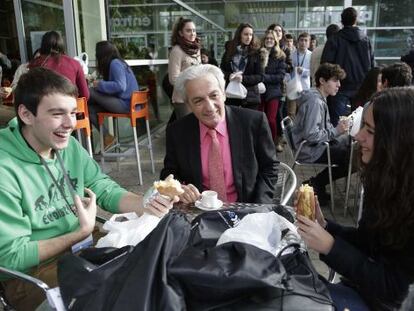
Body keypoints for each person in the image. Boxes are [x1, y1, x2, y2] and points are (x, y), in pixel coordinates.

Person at [0, 67, 175, 310]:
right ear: (26, 114)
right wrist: (79, 233)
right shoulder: (4, 168)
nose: (70, 123)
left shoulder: (67, 145)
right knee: (118, 294)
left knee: (155, 266)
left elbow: (101, 187)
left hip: (84, 251)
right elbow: (12, 257)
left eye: (73, 112)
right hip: (31, 276)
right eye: (57, 113)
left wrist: (144, 203)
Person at [297, 87, 414, 311]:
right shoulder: (385, 179)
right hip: (362, 292)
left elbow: (396, 289)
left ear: (399, 139)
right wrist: (324, 226)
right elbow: (368, 241)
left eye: (370, 130)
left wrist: (330, 246)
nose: (359, 136)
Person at [160, 64, 278, 204]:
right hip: (198, 212)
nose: (209, 107)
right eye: (198, 100)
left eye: (213, 95)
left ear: (223, 93)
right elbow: (169, 173)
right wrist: (179, 188)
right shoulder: (177, 131)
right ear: (188, 104)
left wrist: (258, 208)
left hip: (246, 209)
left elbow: (270, 168)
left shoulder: (253, 122)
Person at [292, 63, 349, 204]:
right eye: (335, 80)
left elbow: (320, 128)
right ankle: (314, 184)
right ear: (322, 81)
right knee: (350, 158)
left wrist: (337, 131)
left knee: (348, 148)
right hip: (309, 150)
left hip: (312, 146)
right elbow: (311, 135)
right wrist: (336, 131)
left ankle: (317, 185)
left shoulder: (318, 97)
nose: (339, 85)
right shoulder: (315, 102)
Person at [321, 7, 375, 126]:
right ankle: (355, 144)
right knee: (360, 123)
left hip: (339, 87)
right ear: (356, 20)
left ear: (341, 21)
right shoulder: (366, 40)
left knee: (338, 125)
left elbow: (325, 65)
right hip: (361, 87)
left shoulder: (334, 40)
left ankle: (339, 144)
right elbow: (372, 65)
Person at [88, 41, 139, 148]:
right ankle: (107, 137)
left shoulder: (115, 63)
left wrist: (100, 84)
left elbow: (120, 86)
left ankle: (77, 114)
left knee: (90, 91)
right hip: (130, 104)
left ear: (101, 54)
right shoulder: (120, 63)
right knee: (90, 109)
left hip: (126, 104)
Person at [28, 31, 89, 100]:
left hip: (43, 107)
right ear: (61, 44)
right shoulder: (74, 63)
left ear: (43, 45)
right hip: (69, 106)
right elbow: (85, 95)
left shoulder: (34, 64)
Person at [220, 23, 262, 109]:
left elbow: (260, 76)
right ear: (239, 35)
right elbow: (222, 70)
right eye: (246, 34)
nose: (249, 37)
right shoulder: (229, 51)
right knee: (233, 121)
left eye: (251, 34)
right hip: (232, 95)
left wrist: (243, 78)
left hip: (250, 96)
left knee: (249, 122)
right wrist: (229, 76)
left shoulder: (256, 53)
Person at [168, 17, 201, 120]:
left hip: (197, 96)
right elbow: (173, 79)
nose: (192, 33)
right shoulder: (177, 51)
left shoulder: (196, 49)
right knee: (187, 132)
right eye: (188, 30)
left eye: (194, 30)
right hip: (182, 99)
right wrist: (192, 83)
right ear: (181, 33)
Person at [259, 30, 287, 143]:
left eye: (271, 39)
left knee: (271, 119)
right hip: (260, 92)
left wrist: (264, 78)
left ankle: (273, 142)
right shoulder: (259, 54)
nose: (269, 40)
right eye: (267, 38)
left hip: (273, 92)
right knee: (260, 119)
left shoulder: (280, 56)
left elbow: (280, 76)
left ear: (275, 41)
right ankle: (261, 143)